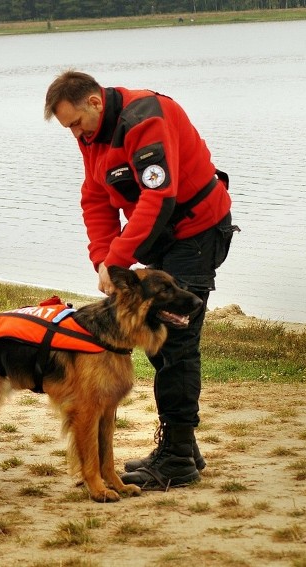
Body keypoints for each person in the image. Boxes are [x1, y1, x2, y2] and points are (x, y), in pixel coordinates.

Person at [43, 70, 239, 490]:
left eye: (76, 122)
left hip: (197, 232)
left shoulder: (145, 118)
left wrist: (117, 261)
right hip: (159, 239)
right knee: (153, 338)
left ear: (95, 102)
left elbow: (157, 196)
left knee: (176, 341)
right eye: (68, 128)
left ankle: (177, 461)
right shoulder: (92, 136)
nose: (74, 133)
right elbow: (95, 196)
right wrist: (103, 260)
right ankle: (183, 446)